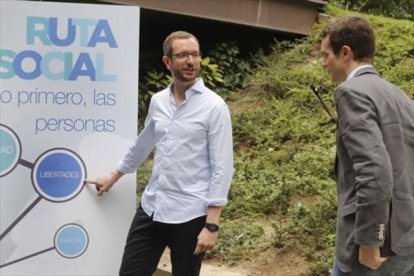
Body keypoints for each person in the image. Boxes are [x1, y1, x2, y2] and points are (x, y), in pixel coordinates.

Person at [85, 31, 234, 276]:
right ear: (167, 61)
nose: (191, 61)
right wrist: (113, 177)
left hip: (191, 214)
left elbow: (222, 166)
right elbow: (142, 144)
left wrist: (212, 224)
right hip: (153, 206)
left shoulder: (214, 107)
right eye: (183, 55)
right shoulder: (158, 101)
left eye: (195, 55)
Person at [320, 16, 414, 275]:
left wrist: (371, 240)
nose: (324, 63)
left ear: (345, 53)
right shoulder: (401, 97)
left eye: (326, 55)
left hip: (374, 252)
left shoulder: (351, 92)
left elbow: (374, 169)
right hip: (407, 243)